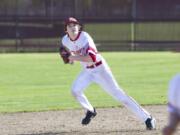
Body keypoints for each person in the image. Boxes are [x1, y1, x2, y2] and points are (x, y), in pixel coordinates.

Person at [60, 17, 156, 130]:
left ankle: (148, 118)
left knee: (119, 95)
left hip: (100, 69)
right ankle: (91, 111)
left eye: (75, 25)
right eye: (69, 26)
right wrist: (69, 59)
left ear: (79, 27)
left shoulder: (85, 37)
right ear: (66, 30)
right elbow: (71, 55)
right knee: (75, 91)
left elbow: (92, 58)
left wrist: (71, 57)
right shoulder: (65, 40)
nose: (73, 27)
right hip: (87, 71)